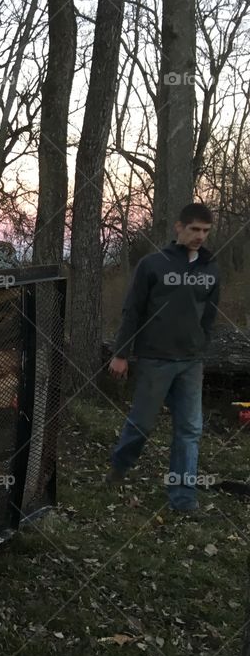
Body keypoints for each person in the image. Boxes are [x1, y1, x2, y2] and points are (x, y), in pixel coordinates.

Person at [106, 203, 221, 513]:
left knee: (189, 431)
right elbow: (132, 311)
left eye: (205, 231)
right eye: (194, 229)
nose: (200, 236)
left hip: (191, 362)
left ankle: (183, 499)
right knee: (142, 424)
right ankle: (119, 466)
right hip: (155, 358)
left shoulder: (210, 269)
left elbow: (210, 316)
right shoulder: (153, 265)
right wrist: (121, 354)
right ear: (179, 228)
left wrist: (201, 345)